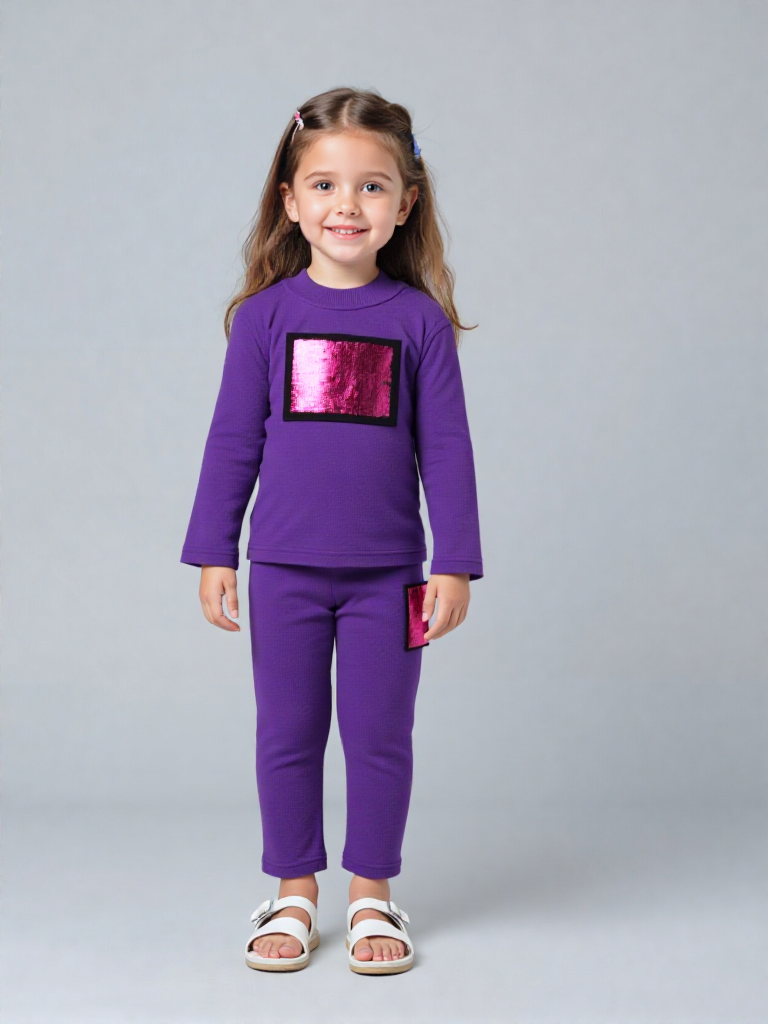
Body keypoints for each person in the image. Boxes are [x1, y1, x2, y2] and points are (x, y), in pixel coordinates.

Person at [180, 86, 484, 975]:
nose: (346, 205)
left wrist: (455, 562)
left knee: (381, 736)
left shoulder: (419, 324)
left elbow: (448, 450)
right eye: (324, 185)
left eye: (371, 186)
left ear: (406, 203)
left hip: (393, 578)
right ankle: (293, 890)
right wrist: (213, 552)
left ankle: (372, 895)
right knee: (287, 733)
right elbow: (232, 440)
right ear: (289, 201)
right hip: (282, 572)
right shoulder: (264, 319)